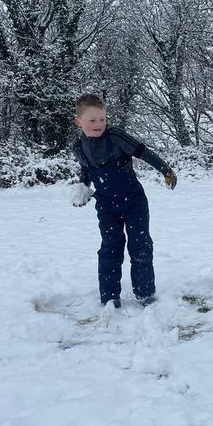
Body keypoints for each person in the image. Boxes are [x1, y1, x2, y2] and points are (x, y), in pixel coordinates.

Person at [70, 94, 177, 308]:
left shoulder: (115, 136)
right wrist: (82, 187)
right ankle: (109, 298)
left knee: (140, 245)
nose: (99, 124)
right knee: (110, 248)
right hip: (106, 205)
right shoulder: (79, 147)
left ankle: (145, 294)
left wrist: (165, 169)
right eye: (92, 120)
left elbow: (143, 152)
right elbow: (85, 170)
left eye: (102, 118)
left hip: (134, 201)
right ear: (78, 122)